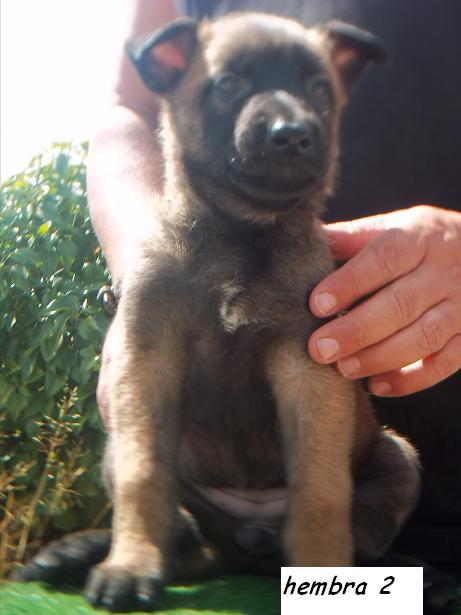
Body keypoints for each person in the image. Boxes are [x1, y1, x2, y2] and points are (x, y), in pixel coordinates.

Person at [87, 0, 461, 565]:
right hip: (195, 490)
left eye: (314, 90)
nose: (289, 121)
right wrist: (146, 277)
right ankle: (176, 546)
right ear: (171, 61)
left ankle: (339, 585)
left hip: (399, 491)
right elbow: (127, 109)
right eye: (233, 83)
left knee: (351, 588)